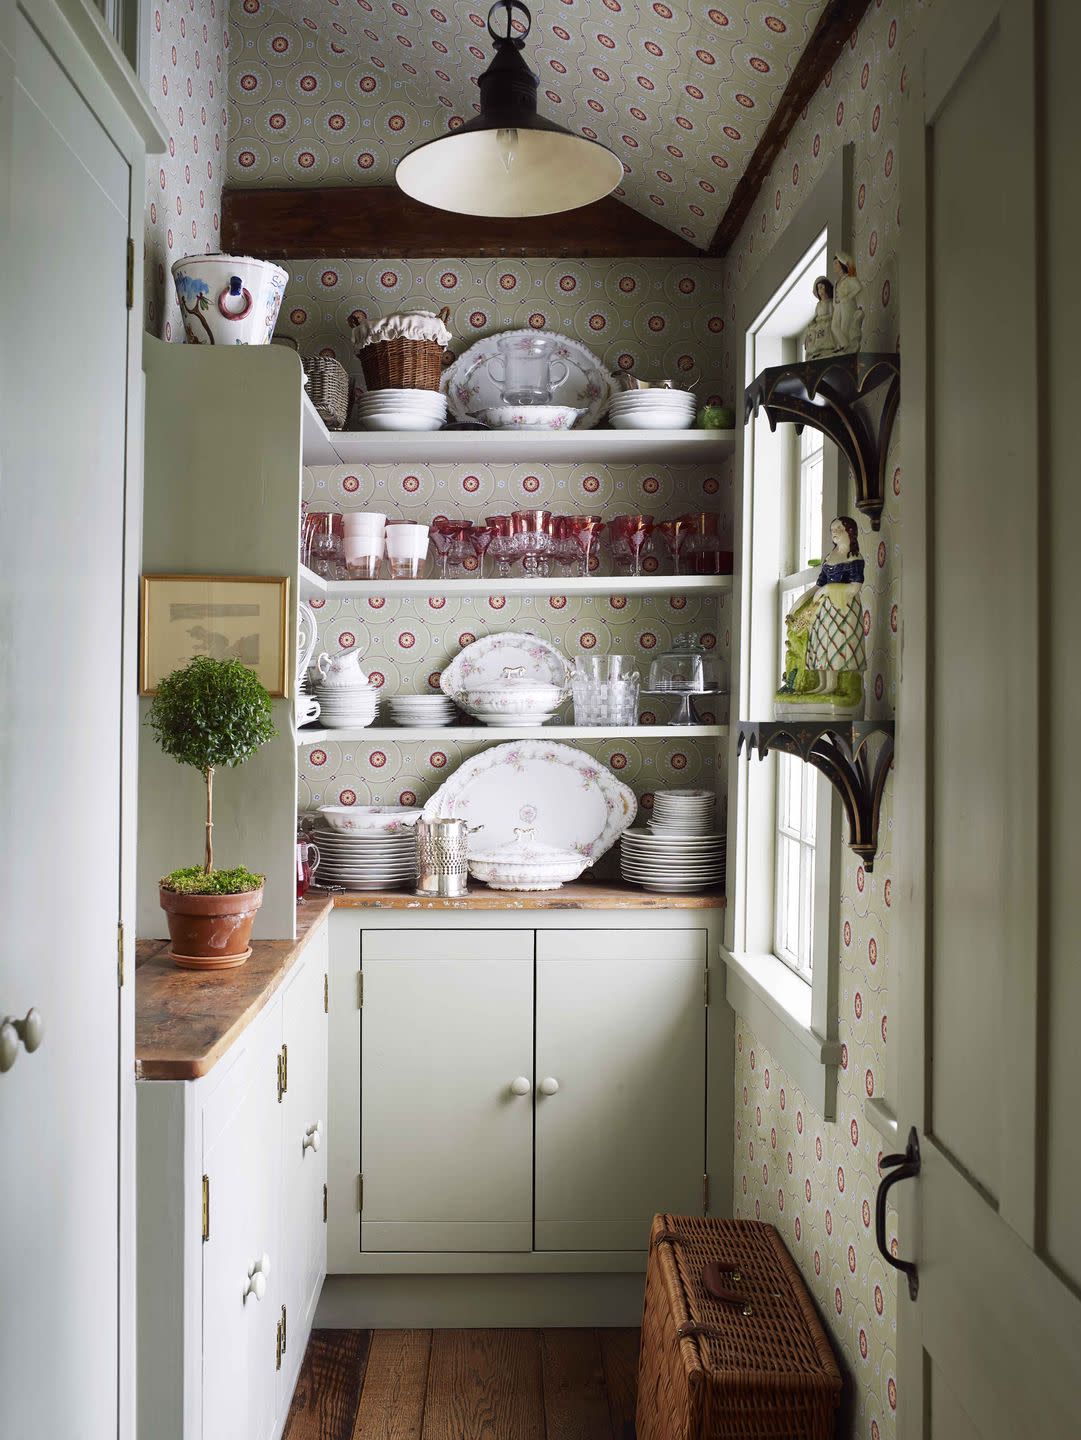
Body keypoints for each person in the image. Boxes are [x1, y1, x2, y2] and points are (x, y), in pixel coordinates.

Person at [775, 516, 866, 716]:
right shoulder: (830, 556)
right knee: (822, 646)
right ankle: (824, 684)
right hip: (824, 609)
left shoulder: (854, 558)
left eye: (839, 529)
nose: (834, 532)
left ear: (849, 531)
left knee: (838, 646)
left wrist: (828, 590)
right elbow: (819, 583)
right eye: (832, 529)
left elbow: (855, 586)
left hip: (843, 609)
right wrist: (800, 601)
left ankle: (835, 686)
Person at [830, 251, 864, 353]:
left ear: (842, 264)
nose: (834, 266)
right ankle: (845, 344)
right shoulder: (837, 281)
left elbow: (858, 287)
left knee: (845, 327)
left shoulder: (849, 279)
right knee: (834, 326)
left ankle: (846, 348)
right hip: (838, 307)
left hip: (847, 306)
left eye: (836, 263)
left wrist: (848, 297)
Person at [803, 275, 835, 359]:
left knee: (824, 331)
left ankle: (826, 348)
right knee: (811, 333)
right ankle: (814, 350)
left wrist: (824, 319)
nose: (820, 291)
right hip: (819, 324)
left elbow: (832, 315)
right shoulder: (818, 305)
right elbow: (816, 316)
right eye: (818, 289)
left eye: (821, 287)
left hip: (827, 323)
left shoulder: (830, 303)